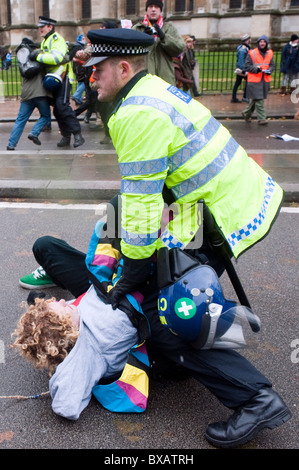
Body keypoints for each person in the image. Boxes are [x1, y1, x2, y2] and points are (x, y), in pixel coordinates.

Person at [18, 28, 291, 449]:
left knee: (171, 319)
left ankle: (256, 399)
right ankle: (198, 334)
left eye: (99, 71)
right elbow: (137, 198)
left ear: (124, 67)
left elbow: (143, 209)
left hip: (217, 215)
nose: (92, 79)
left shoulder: (135, 113)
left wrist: (133, 271)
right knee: (118, 217)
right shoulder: (151, 90)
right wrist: (125, 265)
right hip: (229, 199)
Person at [29, 16, 84, 148]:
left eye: (42, 27)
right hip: (54, 78)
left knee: (62, 106)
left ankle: (77, 134)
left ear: (50, 27)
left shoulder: (56, 39)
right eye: (39, 27)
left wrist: (38, 56)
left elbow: (57, 58)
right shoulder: (46, 41)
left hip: (62, 77)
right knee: (58, 110)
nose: (40, 29)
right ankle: (66, 136)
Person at [6, 38, 51, 151]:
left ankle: (11, 144)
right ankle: (34, 133)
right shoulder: (38, 57)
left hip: (26, 93)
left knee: (20, 119)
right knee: (45, 115)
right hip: (39, 93)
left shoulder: (23, 60)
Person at [133, 0, 185, 86]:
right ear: (146, 9)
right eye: (150, 6)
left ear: (160, 10)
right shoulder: (137, 29)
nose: (153, 9)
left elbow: (179, 48)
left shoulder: (169, 28)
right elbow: (129, 52)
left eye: (156, 7)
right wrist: (142, 39)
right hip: (143, 81)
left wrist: (164, 37)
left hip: (165, 80)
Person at [242, 35, 275, 125]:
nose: (262, 43)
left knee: (255, 100)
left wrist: (269, 71)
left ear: (266, 43)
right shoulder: (252, 53)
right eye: (261, 42)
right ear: (258, 43)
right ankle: (262, 118)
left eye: (264, 42)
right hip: (254, 80)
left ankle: (246, 114)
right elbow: (247, 66)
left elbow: (272, 65)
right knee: (259, 100)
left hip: (264, 80)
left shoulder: (270, 53)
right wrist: (257, 69)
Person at [231, 34, 251, 103]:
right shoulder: (243, 49)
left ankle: (234, 98)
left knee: (237, 83)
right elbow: (241, 60)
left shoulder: (241, 47)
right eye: (249, 39)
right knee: (248, 82)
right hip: (242, 69)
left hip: (240, 69)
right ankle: (245, 97)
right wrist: (244, 70)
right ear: (248, 40)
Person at [70, 34, 87, 105]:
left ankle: (78, 99)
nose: (84, 40)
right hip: (80, 67)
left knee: (80, 82)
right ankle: (76, 96)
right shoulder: (78, 47)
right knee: (83, 81)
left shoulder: (78, 46)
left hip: (79, 67)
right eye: (83, 39)